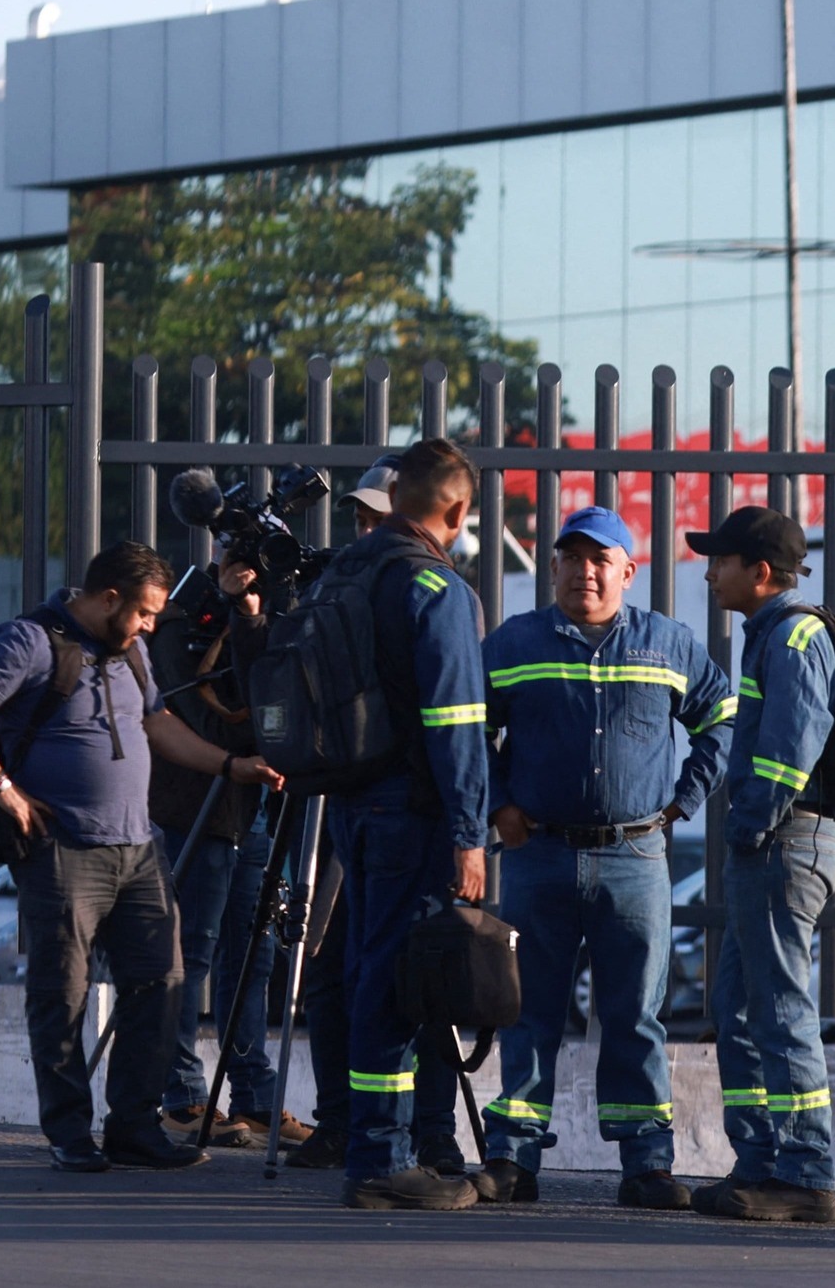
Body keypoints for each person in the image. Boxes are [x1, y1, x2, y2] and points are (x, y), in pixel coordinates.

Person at [0, 540, 283, 1172]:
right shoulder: (29, 642)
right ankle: (69, 1133)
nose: (150, 626)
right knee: (62, 994)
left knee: (163, 982)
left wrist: (232, 766)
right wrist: (4, 790)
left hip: (139, 848)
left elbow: (159, 724)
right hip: (63, 850)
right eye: (144, 613)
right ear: (109, 598)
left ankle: (134, 1129)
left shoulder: (133, 652)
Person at [471, 506, 738, 1209]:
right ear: (553, 567)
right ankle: (512, 1158)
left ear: (628, 572)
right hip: (539, 855)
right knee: (527, 1011)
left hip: (634, 857)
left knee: (635, 1016)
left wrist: (685, 800)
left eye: (600, 560)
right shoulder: (514, 643)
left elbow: (722, 717)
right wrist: (499, 804)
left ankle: (647, 1165)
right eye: (572, 558)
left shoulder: (667, 643)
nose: (584, 572)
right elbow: (468, 729)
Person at [332, 437, 493, 1210]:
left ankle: (373, 1144)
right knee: (396, 984)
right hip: (415, 813)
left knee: (368, 972)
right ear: (457, 512)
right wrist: (470, 834)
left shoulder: (347, 571)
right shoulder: (437, 589)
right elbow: (456, 724)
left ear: (394, 498)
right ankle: (382, 1159)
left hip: (352, 803)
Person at [691, 505, 835, 1224]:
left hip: (784, 843)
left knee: (781, 1010)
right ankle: (760, 1162)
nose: (709, 573)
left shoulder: (792, 638)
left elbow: (789, 751)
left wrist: (749, 825)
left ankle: (807, 1173)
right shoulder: (773, 634)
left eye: (720, 561)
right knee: (738, 1007)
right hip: (775, 843)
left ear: (759, 572)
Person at [149, 553, 308, 1151]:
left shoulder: (270, 620)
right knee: (191, 953)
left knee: (254, 955)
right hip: (197, 808)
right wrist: (234, 619)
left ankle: (254, 1095)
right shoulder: (179, 624)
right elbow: (213, 722)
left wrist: (255, 619)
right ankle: (183, 1096)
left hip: (253, 808)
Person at [289, 454, 408, 1173]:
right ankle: (339, 1121)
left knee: (398, 974)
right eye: (360, 517)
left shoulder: (427, 591)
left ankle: (408, 1135)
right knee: (326, 967)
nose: (363, 530)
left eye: (377, 518)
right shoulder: (331, 587)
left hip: (402, 805)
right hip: (339, 796)